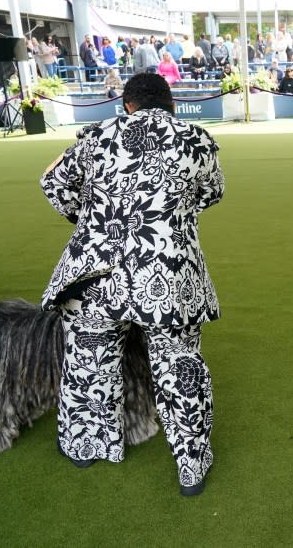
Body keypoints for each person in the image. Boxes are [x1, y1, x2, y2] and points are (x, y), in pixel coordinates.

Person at [39, 73, 224, 496]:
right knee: (179, 366)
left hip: (92, 274)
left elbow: (52, 183)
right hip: (168, 274)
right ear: (171, 103)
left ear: (127, 105)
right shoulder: (197, 139)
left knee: (90, 361)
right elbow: (212, 193)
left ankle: (88, 445)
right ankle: (191, 465)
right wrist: (170, 212)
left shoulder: (93, 135)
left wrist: (86, 217)